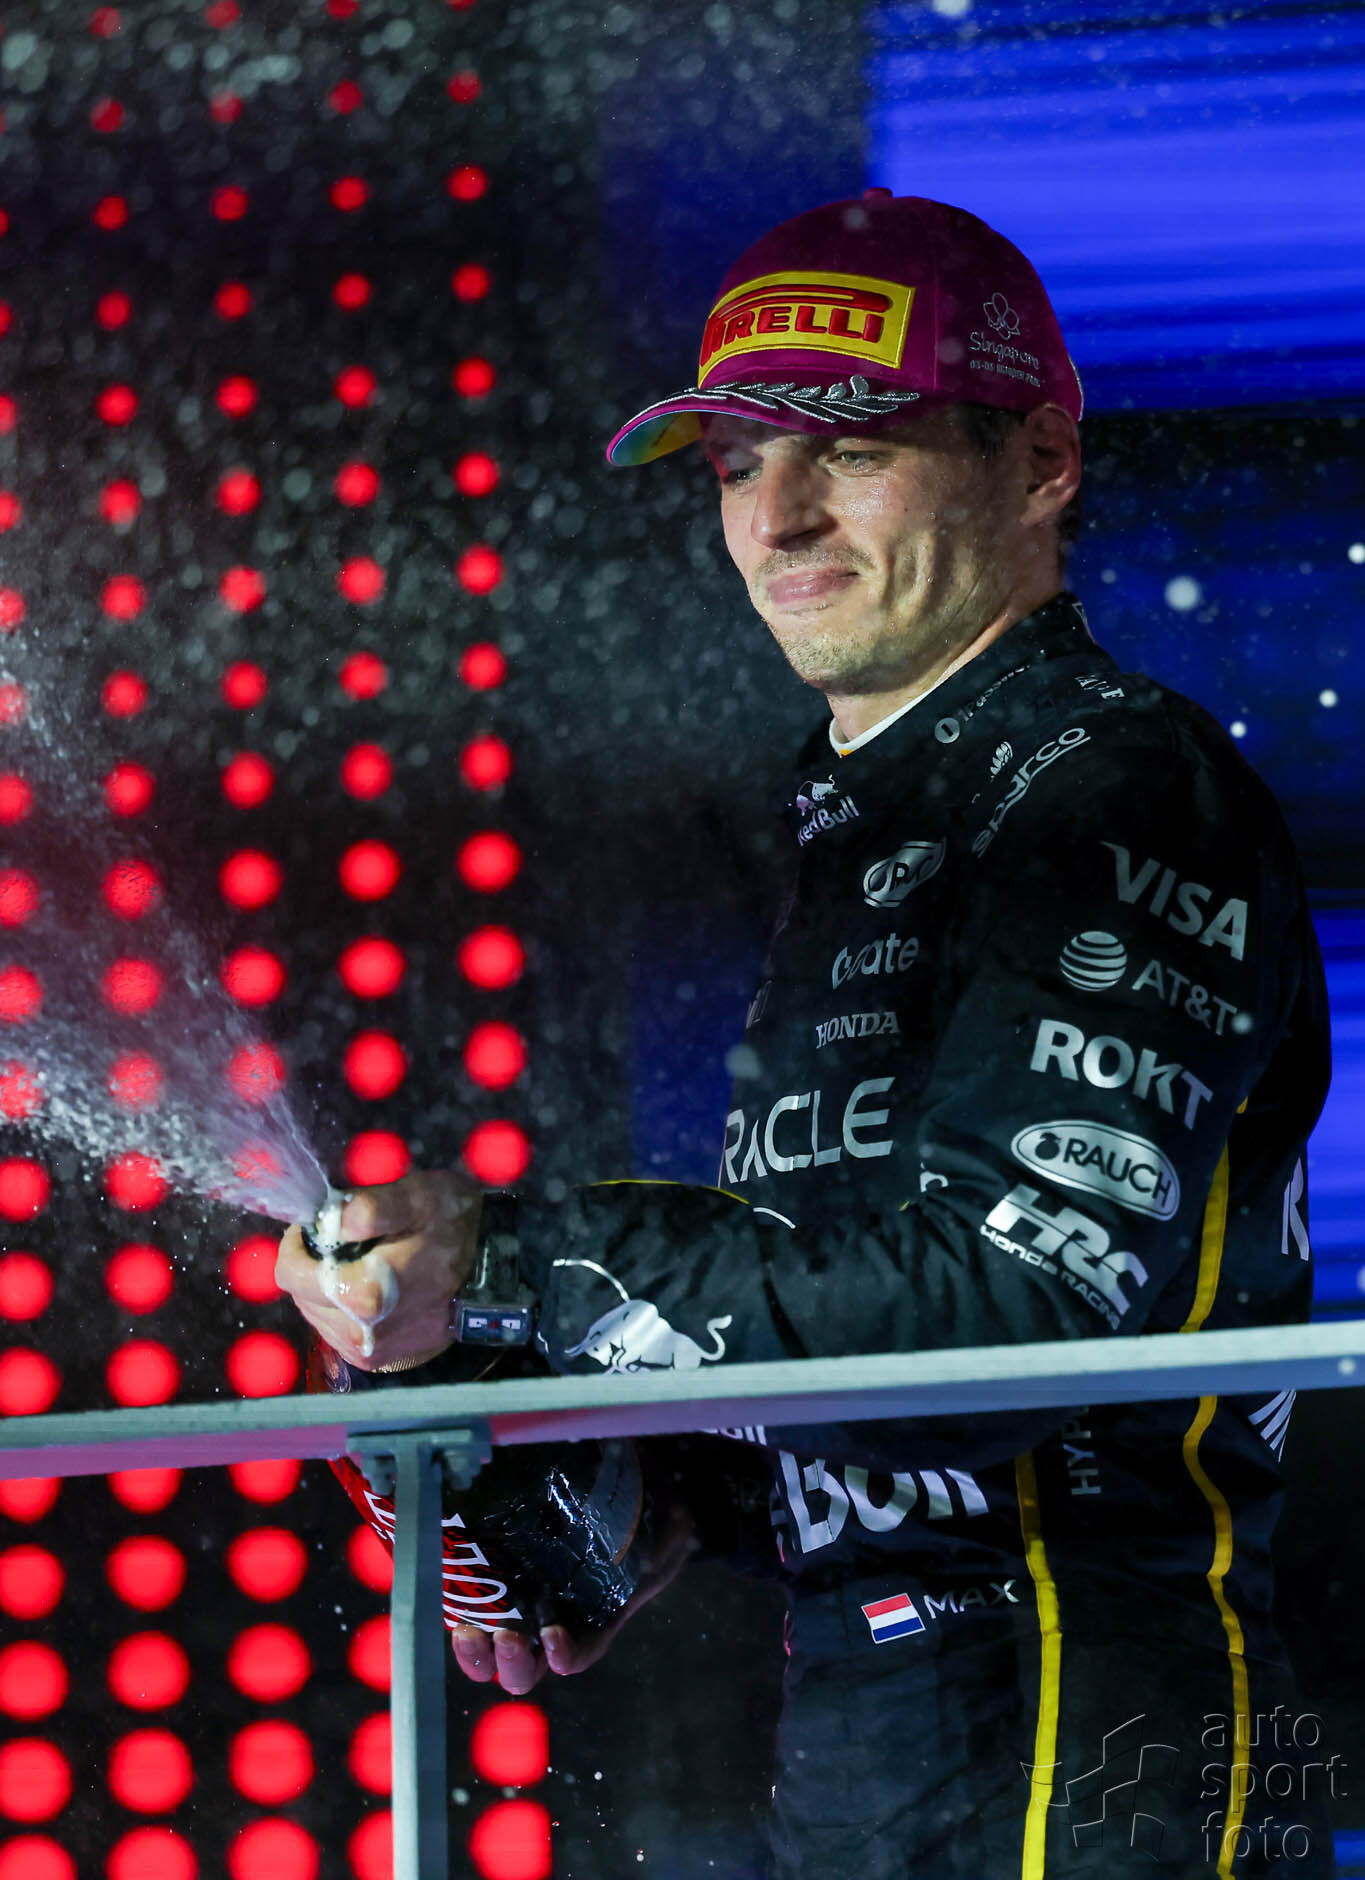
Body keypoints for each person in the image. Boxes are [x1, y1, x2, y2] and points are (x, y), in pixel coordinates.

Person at [277, 193, 1334, 1877]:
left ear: (1039, 464)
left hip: (1097, 1723)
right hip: (876, 1739)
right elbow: (872, 1367)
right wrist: (638, 1492)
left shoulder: (1117, 788)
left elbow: (1007, 1328)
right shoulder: (868, 826)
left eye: (847, 447)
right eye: (732, 463)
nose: (775, 515)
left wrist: (514, 1266)